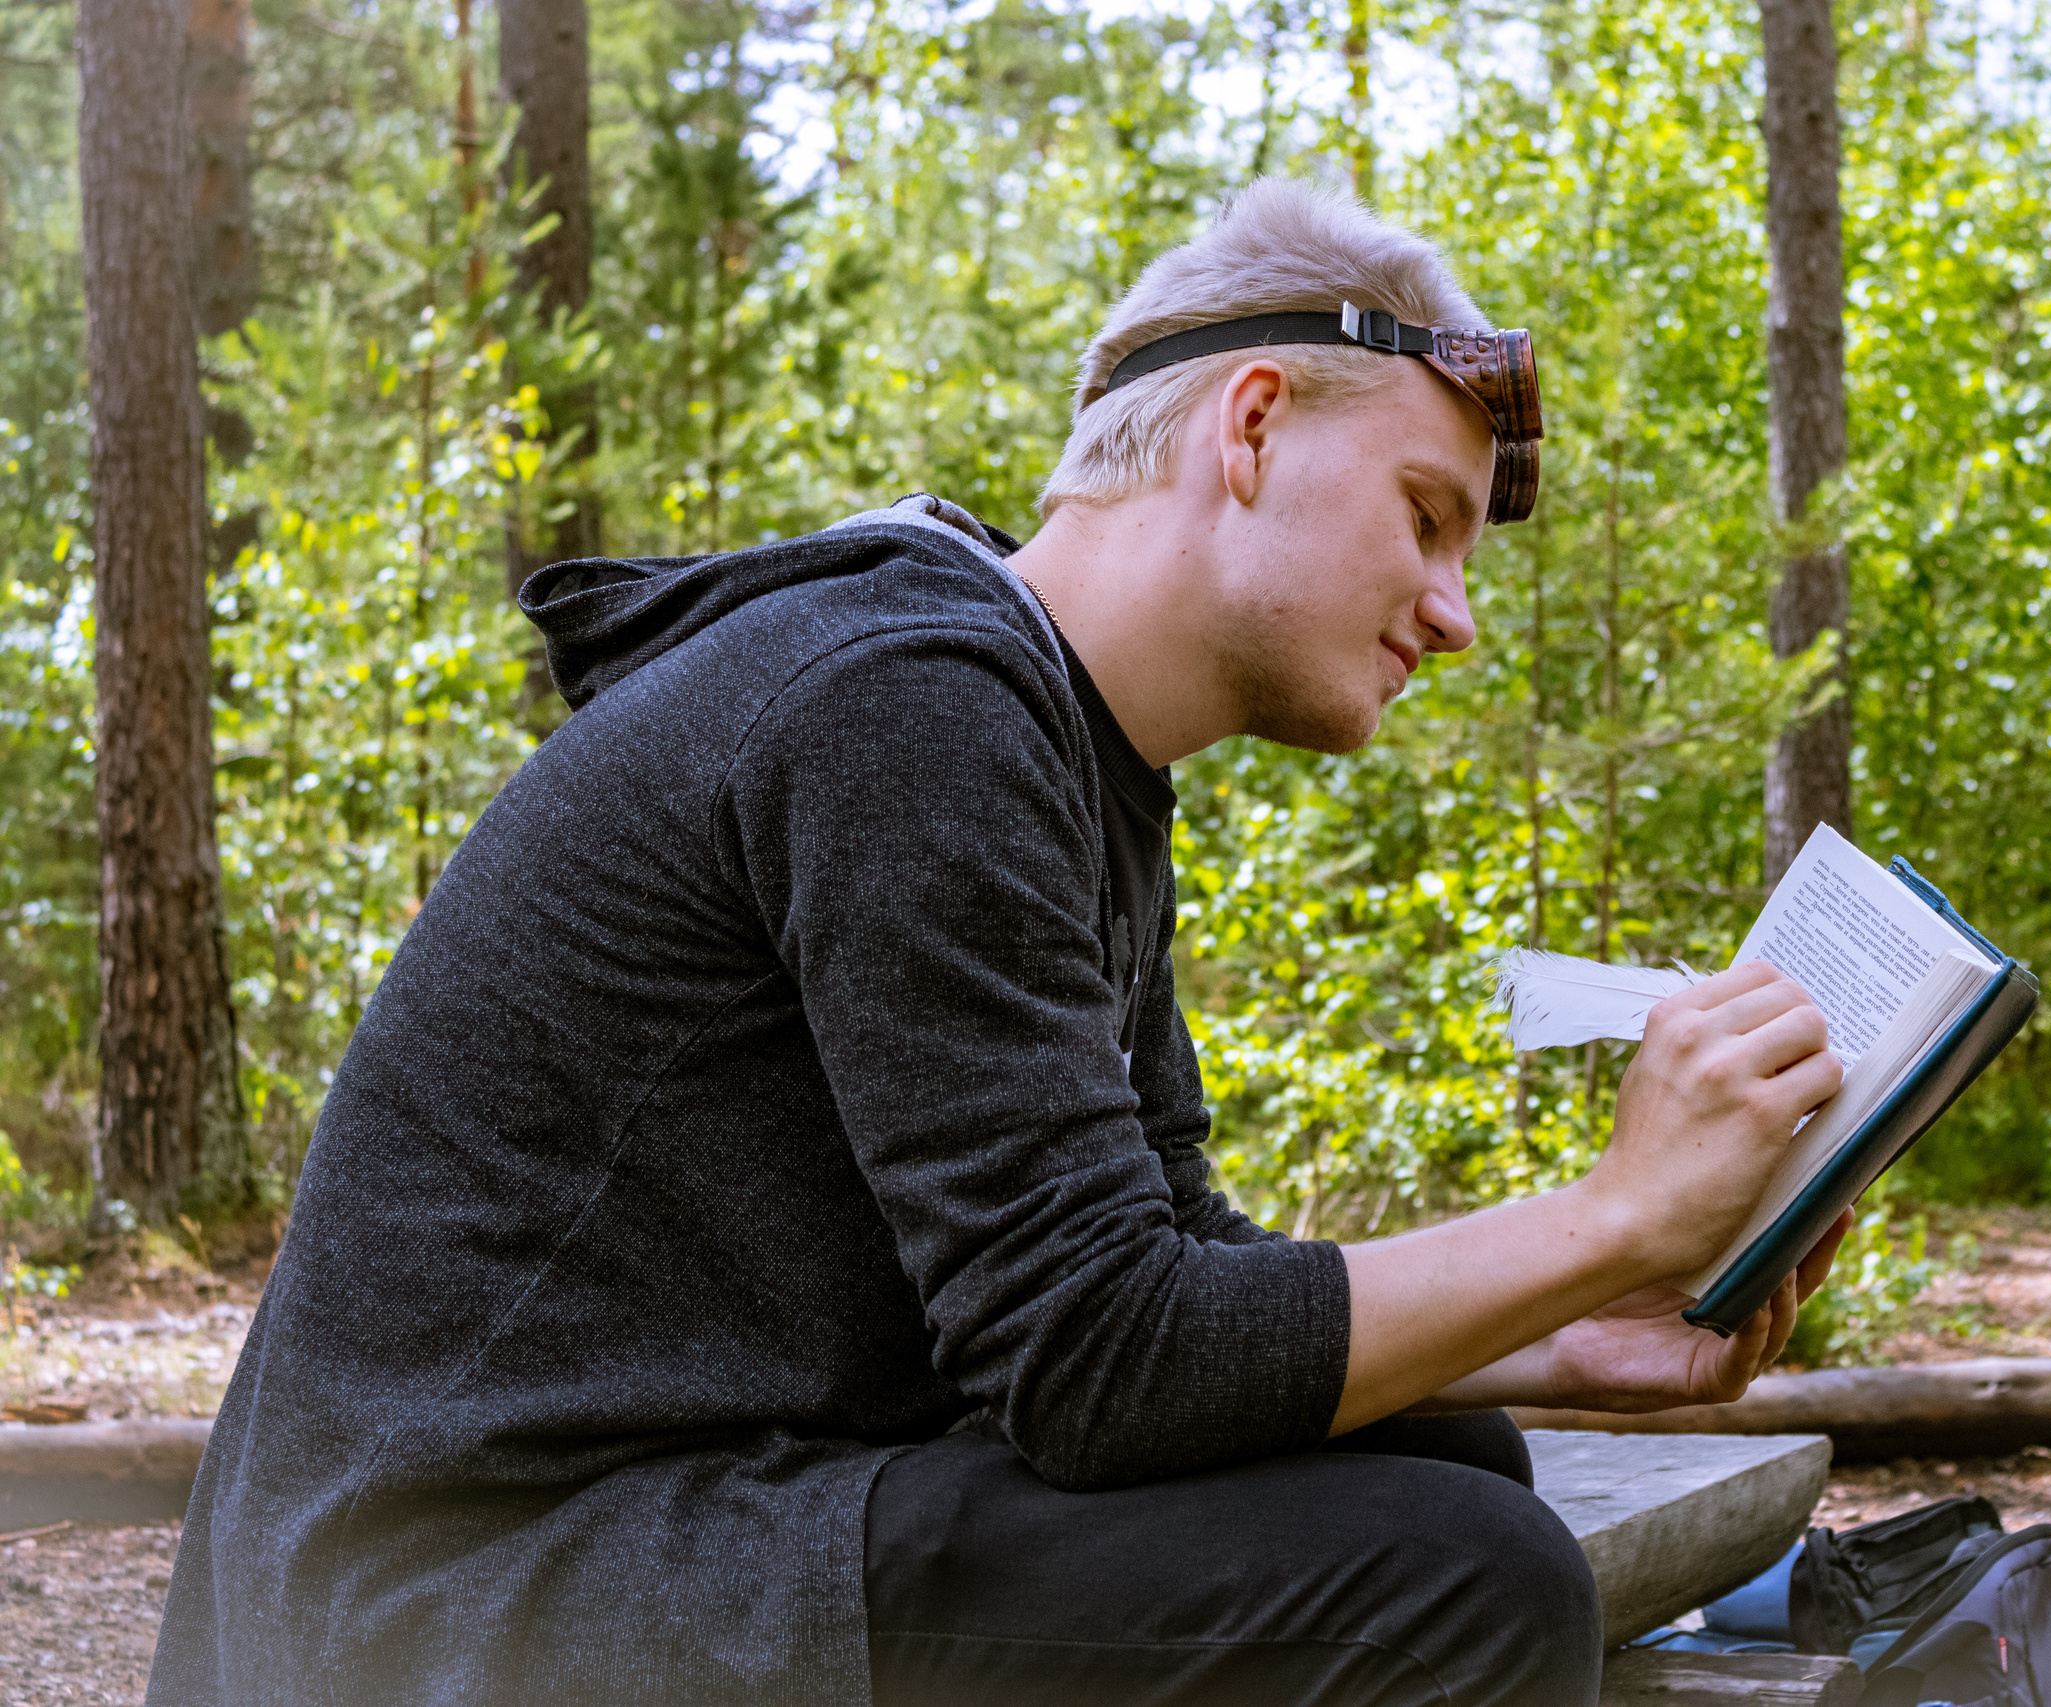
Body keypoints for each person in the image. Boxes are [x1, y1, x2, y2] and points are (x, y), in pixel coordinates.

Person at [145, 178, 1847, 1707]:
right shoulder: (905, 702)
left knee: (1459, 1454)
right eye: (1425, 514)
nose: (1457, 614)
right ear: (1253, 425)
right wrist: (1613, 1212)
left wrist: (1570, 1330)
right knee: (1453, 1587)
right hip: (446, 1597)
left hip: (657, 1522)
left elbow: (1159, 1264)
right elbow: (1102, 1367)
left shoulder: (1059, 746)